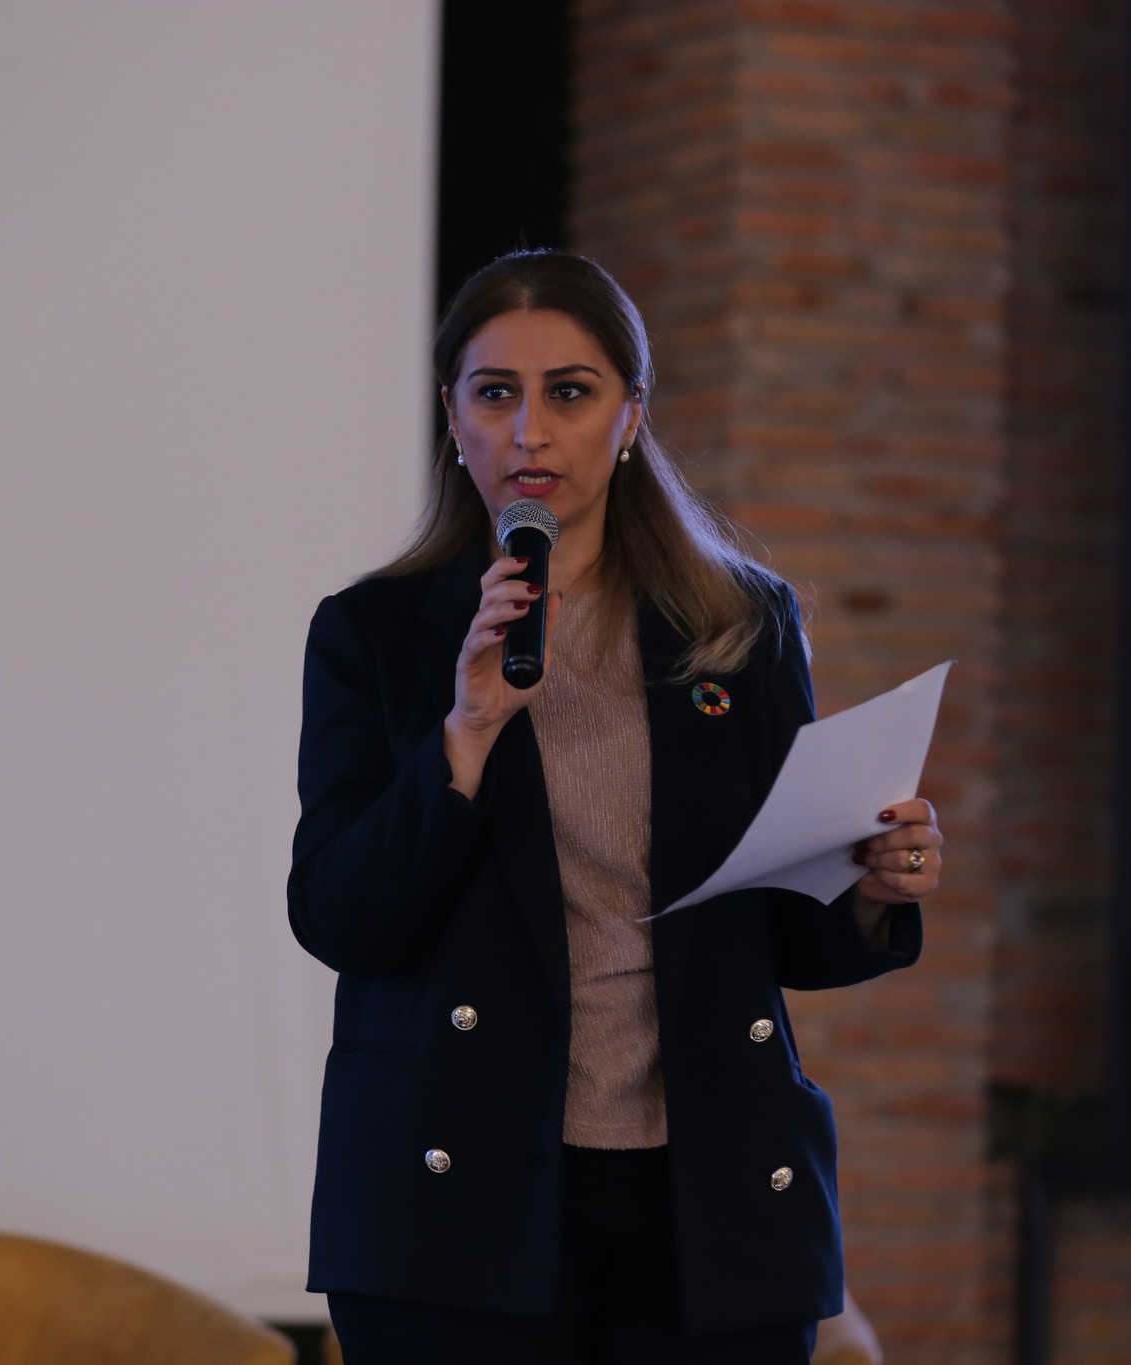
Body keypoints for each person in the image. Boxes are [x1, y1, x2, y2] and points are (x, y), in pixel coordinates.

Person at [288, 249, 942, 1364]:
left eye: (570, 392)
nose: (528, 431)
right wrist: (465, 733)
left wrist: (876, 884)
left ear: (630, 416)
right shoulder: (376, 634)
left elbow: (788, 931)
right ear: (453, 415)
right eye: (495, 392)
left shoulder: (740, 624)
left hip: (704, 1199)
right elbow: (342, 917)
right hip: (457, 1200)